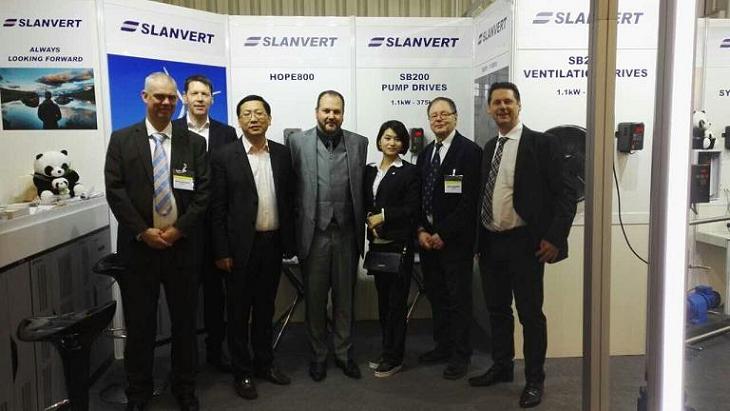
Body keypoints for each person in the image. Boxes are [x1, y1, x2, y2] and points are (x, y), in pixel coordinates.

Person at [104, 72, 209, 411]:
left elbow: (204, 194)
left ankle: (185, 388)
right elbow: (115, 191)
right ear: (144, 97)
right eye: (158, 96)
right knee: (140, 325)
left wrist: (179, 230)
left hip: (182, 248)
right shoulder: (122, 140)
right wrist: (142, 231)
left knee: (184, 324)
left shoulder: (194, 143)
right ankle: (138, 392)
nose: (165, 103)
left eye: (171, 97)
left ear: (177, 100)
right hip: (139, 249)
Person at [468, 81, 576, 409]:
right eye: (496, 102)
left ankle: (534, 380)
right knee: (497, 311)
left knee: (530, 315)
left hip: (526, 244)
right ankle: (502, 366)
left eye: (508, 102)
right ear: (489, 108)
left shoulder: (543, 144)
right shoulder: (490, 146)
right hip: (491, 243)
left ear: (519, 105)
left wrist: (555, 237)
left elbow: (566, 194)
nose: (502, 107)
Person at [210, 95, 295, 400]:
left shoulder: (283, 154)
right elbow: (217, 209)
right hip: (239, 249)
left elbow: (289, 200)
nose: (254, 118)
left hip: (272, 244)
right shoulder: (224, 156)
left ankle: (264, 363)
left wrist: (290, 242)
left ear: (269, 119)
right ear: (239, 120)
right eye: (247, 114)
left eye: (259, 113)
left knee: (265, 309)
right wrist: (221, 251)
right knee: (237, 312)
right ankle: (242, 372)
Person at [288, 90, 368, 381]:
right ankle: (318, 355)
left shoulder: (359, 143)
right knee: (315, 300)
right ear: (316, 112)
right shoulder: (297, 142)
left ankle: (344, 354)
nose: (331, 116)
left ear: (343, 114)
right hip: (314, 235)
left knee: (345, 299)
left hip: (347, 233)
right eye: (326, 111)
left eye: (336, 111)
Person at [173, 74, 237, 372]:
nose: (200, 99)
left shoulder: (227, 132)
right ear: (185, 97)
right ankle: (185, 360)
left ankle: (215, 351)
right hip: (182, 227)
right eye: (194, 93)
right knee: (183, 299)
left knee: (215, 297)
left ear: (212, 99)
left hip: (215, 228)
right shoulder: (171, 130)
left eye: (205, 94)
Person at [415, 96, 482, 380]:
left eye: (445, 114)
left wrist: (443, 233)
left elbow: (470, 202)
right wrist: (421, 230)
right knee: (437, 297)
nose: (439, 119)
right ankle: (443, 346)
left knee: (458, 300)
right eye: (434, 115)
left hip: (455, 243)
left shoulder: (470, 152)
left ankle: (461, 355)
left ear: (456, 117)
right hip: (428, 242)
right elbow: (419, 196)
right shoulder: (426, 154)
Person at [363, 120, 420, 378]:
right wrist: (370, 220)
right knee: (383, 303)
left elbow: (412, 208)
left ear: (403, 143)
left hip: (399, 246)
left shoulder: (409, 172)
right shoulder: (370, 171)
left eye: (397, 139)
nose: (391, 142)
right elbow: (366, 203)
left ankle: (395, 357)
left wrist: (383, 216)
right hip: (377, 246)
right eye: (387, 137)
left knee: (396, 305)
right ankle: (387, 351)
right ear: (379, 140)